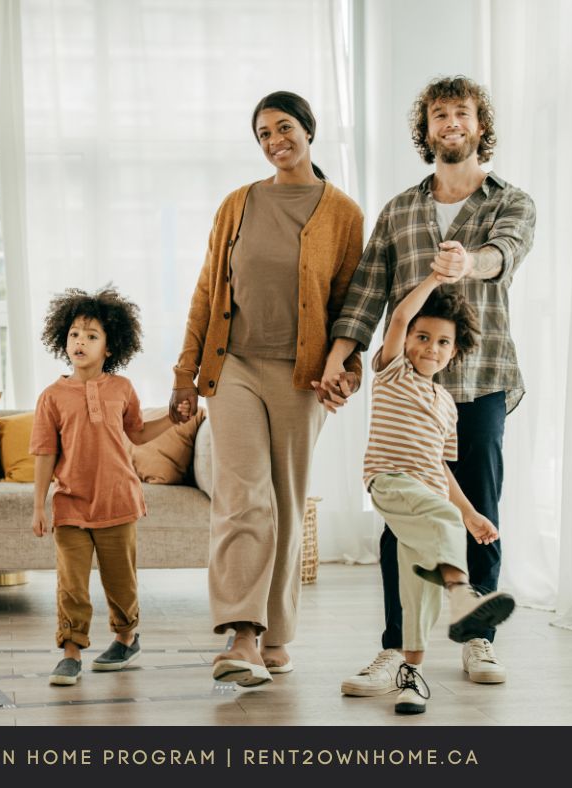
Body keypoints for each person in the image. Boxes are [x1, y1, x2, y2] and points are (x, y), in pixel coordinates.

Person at [319, 75, 536, 693]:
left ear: (479, 125)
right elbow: (365, 293)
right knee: (402, 523)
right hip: (410, 391)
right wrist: (341, 358)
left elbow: (506, 253)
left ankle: (479, 640)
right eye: (438, 115)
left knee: (478, 509)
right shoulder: (399, 211)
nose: (450, 124)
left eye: (461, 113)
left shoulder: (509, 200)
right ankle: (396, 647)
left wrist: (471, 262)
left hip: (483, 379)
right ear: (427, 130)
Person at [169, 91, 364, 687]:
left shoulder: (344, 214)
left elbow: (352, 306)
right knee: (241, 495)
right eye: (263, 134)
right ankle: (243, 633)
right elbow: (207, 291)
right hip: (233, 369)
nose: (275, 141)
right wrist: (184, 374)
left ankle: (275, 636)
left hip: (302, 376)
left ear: (308, 130)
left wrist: (347, 372)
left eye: (285, 128)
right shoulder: (238, 204)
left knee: (285, 498)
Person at [360, 271, 515, 714]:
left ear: (455, 351)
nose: (431, 348)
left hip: (426, 494)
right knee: (442, 522)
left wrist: (470, 514)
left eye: (443, 342)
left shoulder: (446, 406)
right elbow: (402, 314)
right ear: (406, 338)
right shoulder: (392, 374)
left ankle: (412, 677)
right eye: (422, 337)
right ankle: (463, 595)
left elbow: (441, 469)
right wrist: (436, 277)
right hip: (390, 482)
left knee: (417, 590)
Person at [30, 286, 184, 686]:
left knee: (120, 581)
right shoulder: (51, 397)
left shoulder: (122, 389)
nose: (80, 342)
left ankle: (126, 638)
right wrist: (38, 506)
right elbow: (45, 453)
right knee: (72, 584)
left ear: (110, 347)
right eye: (75, 335)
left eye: (92, 336)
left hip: (119, 500)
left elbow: (137, 433)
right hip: (71, 505)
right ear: (63, 340)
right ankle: (71, 650)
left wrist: (173, 419)